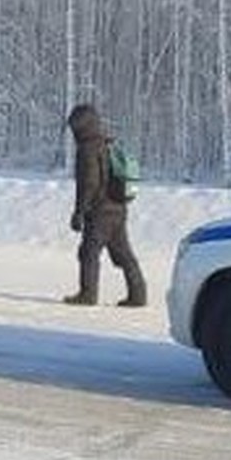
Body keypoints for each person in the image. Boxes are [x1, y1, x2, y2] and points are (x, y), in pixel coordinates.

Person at [64, 102, 147, 308]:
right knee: (124, 253)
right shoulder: (107, 142)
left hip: (100, 210)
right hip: (118, 208)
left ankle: (87, 294)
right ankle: (138, 295)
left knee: (89, 252)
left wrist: (79, 212)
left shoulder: (87, 149)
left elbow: (89, 182)